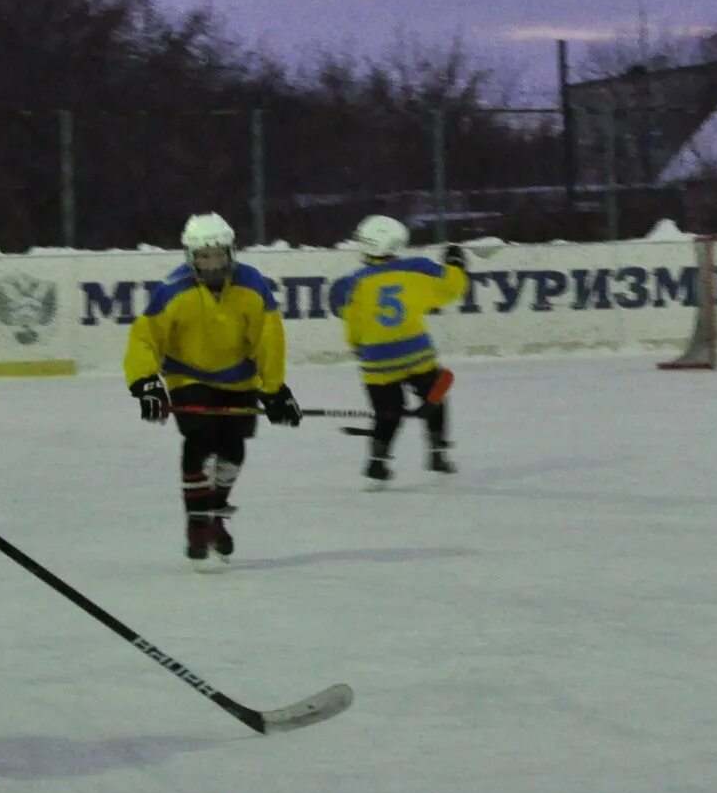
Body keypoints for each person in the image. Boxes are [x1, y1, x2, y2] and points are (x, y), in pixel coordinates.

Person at [124, 213, 298, 568]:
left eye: (218, 255)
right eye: (204, 257)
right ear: (191, 258)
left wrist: (274, 389)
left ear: (231, 252)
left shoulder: (253, 285)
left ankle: (215, 512)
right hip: (189, 377)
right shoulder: (173, 290)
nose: (213, 264)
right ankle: (197, 520)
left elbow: (269, 338)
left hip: (239, 377)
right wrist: (146, 383)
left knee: (233, 448)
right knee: (200, 438)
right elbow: (145, 338)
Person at [327, 216, 469, 482]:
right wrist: (456, 265)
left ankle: (378, 461)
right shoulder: (416, 270)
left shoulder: (353, 283)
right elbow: (452, 289)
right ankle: (438, 451)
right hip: (417, 354)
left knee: (387, 412)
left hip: (376, 360)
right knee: (435, 397)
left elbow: (351, 321)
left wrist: (360, 348)